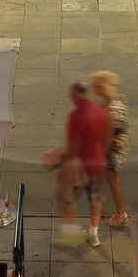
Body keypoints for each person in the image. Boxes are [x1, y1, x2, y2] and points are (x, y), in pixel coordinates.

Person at [55, 80, 109, 246]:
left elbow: (74, 145)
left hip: (80, 167)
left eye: (71, 95)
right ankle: (94, 234)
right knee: (95, 199)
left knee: (69, 199)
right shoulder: (100, 110)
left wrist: (62, 159)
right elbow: (107, 137)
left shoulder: (76, 116)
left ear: (75, 95)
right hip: (97, 164)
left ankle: (70, 235)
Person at [90, 70, 131, 228]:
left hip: (114, 148)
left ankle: (121, 213)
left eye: (97, 86)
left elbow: (108, 136)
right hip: (120, 143)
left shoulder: (111, 109)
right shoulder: (116, 99)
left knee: (113, 181)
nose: (95, 90)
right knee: (112, 180)